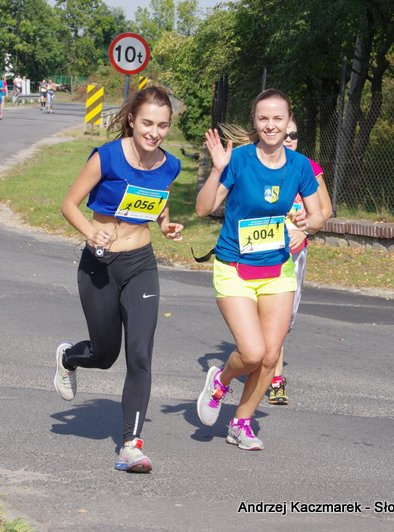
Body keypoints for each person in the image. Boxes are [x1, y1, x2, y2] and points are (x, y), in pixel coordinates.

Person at [55, 86, 184, 473]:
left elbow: (158, 201)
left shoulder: (170, 165)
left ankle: (131, 446)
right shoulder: (107, 156)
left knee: (140, 354)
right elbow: (68, 204)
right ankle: (68, 357)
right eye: (148, 123)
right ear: (132, 119)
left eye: (162, 125)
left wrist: (166, 224)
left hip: (141, 263)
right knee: (105, 354)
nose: (154, 132)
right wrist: (90, 232)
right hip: (99, 265)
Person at [194, 89, 325, 451]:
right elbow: (203, 209)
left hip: (278, 268)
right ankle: (221, 380)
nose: (270, 125)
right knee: (251, 353)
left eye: (277, 118)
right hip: (234, 266)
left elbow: (318, 214)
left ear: (288, 122)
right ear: (254, 121)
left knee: (269, 356)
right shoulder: (238, 159)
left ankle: (241, 423)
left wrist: (305, 224)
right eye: (263, 118)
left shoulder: (300, 166)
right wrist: (217, 170)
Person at [268, 117, 334, 405]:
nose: (289, 139)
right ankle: (275, 378)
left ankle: (268, 367)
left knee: (284, 318)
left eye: (293, 135)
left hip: (294, 252)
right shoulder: (262, 164)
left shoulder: (308, 167)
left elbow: (325, 210)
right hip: (262, 250)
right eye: (285, 134)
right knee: (267, 315)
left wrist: (303, 230)